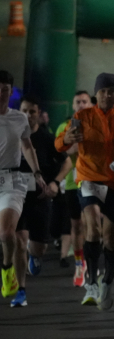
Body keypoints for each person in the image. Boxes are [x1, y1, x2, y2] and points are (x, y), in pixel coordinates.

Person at [55, 72, 114, 311]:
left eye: (111, 92)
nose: (107, 95)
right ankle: (90, 282)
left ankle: (107, 280)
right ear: (95, 94)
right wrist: (66, 139)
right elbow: (59, 144)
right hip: (89, 179)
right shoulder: (82, 117)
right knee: (93, 227)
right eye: (103, 91)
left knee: (110, 238)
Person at [12, 95, 72, 307]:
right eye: (24, 111)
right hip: (15, 195)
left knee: (38, 248)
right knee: (17, 241)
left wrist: (55, 182)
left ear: (39, 114)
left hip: (40, 197)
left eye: (32, 112)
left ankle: (34, 254)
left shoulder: (46, 138)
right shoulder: (11, 134)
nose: (28, 115)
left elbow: (67, 163)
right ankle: (21, 289)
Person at [0, 71, 46, 302]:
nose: (1, 93)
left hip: (12, 180)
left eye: (5, 90)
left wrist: (37, 173)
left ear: (11, 92)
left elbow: (27, 147)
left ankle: (7, 267)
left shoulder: (18, 118)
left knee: (8, 232)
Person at [55, 91, 93, 287]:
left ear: (90, 104)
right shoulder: (64, 127)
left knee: (91, 225)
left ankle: (90, 262)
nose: (81, 104)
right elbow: (63, 152)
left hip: (92, 181)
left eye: (84, 101)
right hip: (72, 182)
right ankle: (79, 263)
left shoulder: (97, 124)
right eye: (78, 101)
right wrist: (75, 143)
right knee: (76, 226)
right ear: (72, 105)